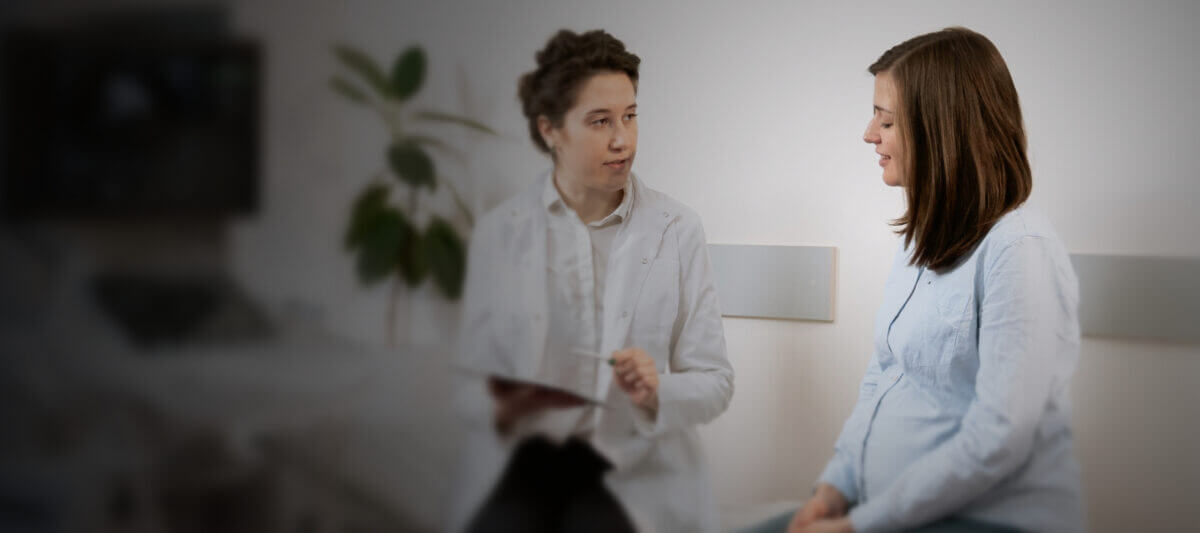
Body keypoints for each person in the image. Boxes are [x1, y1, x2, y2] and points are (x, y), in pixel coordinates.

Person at [752, 27, 1084, 533]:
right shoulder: (925, 240)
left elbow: (998, 438)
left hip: (987, 519)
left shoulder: (1019, 251)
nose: (868, 133)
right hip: (890, 510)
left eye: (885, 120)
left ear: (941, 128)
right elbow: (885, 374)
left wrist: (860, 525)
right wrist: (832, 491)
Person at [448, 29, 734, 533]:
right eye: (600, 121)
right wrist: (502, 406)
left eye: (630, 115)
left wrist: (655, 390)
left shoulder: (678, 229)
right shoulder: (502, 233)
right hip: (524, 467)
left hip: (629, 471)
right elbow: (465, 385)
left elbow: (715, 382)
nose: (622, 139)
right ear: (550, 130)